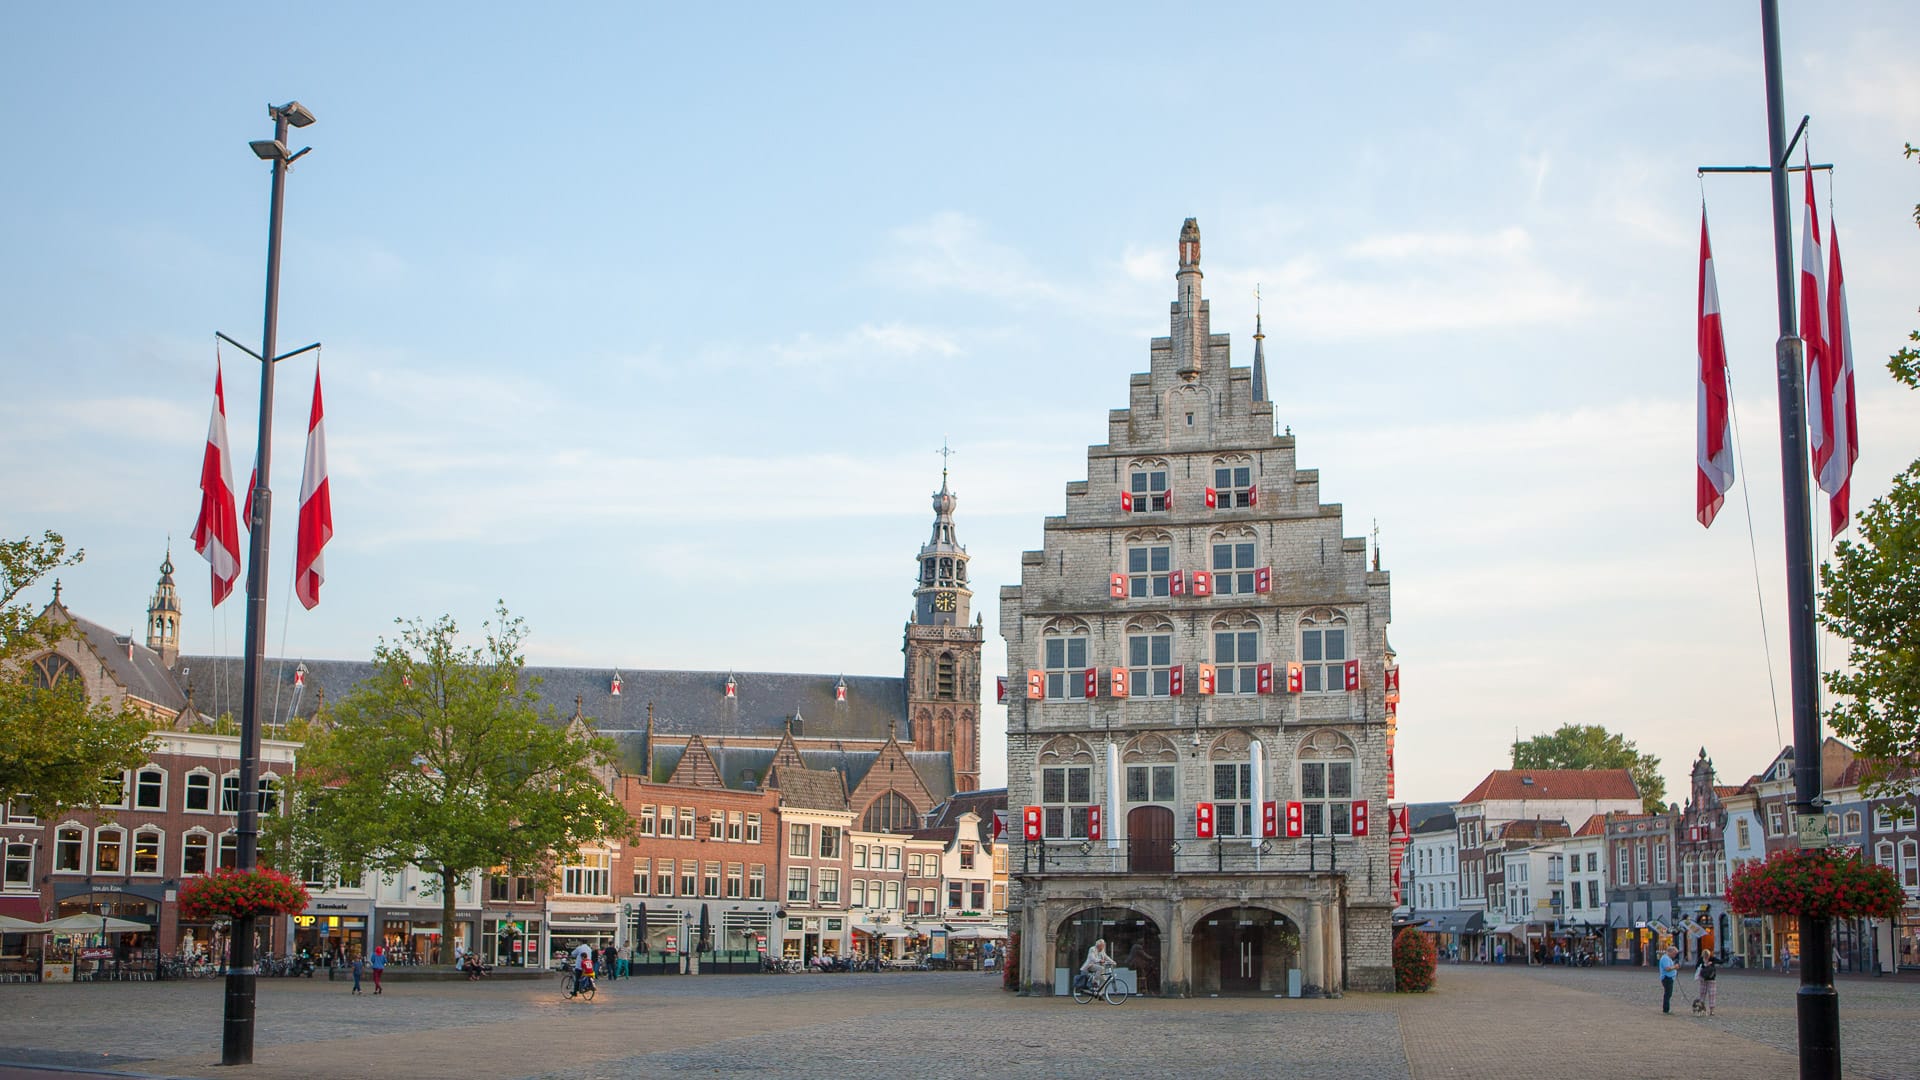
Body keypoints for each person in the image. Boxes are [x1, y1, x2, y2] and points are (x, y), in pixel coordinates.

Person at [1695, 950, 1718, 1017]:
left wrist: (1712, 962)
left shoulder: (1712, 958)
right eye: (1705, 956)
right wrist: (1704, 965)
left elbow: (1720, 961)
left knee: (1712, 994)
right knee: (1702, 994)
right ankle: (1701, 1009)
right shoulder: (1700, 959)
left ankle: (1712, 1010)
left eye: (1707, 956)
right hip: (1703, 979)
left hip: (1711, 979)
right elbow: (1696, 967)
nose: (1706, 957)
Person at [1658, 946, 1679, 1013]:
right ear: (1670, 952)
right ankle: (1666, 1009)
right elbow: (1667, 968)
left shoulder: (1668, 958)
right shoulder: (1665, 958)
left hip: (1670, 978)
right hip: (1667, 978)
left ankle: (1666, 1008)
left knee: (1669, 993)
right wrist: (1675, 967)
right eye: (1674, 953)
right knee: (1668, 994)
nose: (1674, 955)